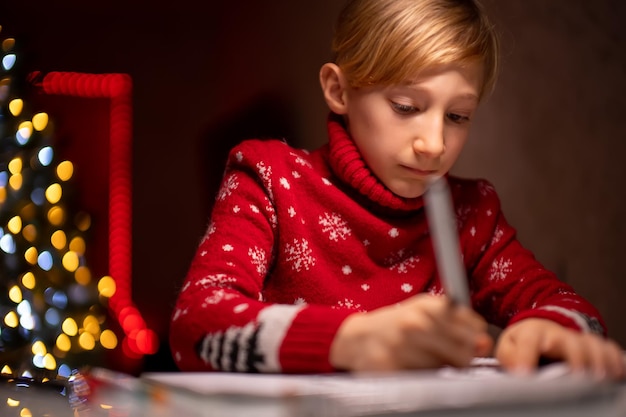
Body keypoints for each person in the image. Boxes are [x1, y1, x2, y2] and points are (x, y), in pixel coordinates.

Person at [169, 0, 625, 379]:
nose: (434, 145)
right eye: (407, 106)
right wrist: (350, 341)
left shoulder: (471, 213)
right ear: (338, 90)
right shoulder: (269, 179)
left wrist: (549, 327)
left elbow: (572, 308)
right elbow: (195, 323)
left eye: (458, 116)